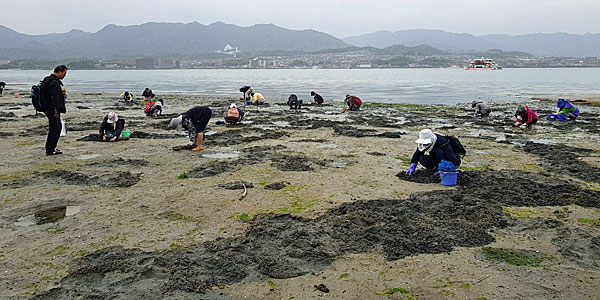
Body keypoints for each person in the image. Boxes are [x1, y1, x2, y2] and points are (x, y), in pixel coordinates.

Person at [41, 65, 68, 155]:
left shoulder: (47, 79)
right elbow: (54, 98)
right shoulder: (54, 83)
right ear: (59, 71)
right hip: (52, 109)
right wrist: (56, 111)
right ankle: (50, 149)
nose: (64, 75)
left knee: (56, 127)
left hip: (46, 108)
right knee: (55, 128)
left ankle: (51, 147)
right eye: (64, 73)